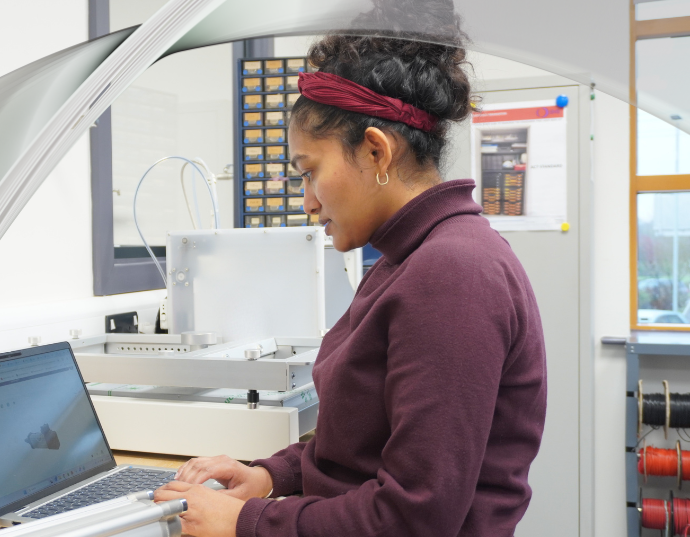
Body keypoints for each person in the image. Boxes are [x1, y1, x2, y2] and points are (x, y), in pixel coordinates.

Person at [154, 11, 547, 537]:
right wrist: (269, 475)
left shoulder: (454, 274)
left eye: (310, 171)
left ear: (376, 151)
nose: (308, 201)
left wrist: (247, 522)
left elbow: (413, 518)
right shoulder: (405, 262)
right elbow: (362, 443)